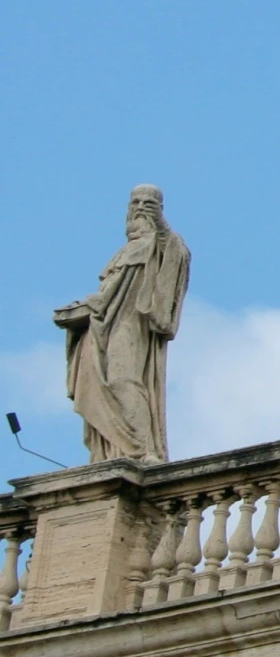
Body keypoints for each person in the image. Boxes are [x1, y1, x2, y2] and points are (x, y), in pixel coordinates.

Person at [56, 185, 190, 463]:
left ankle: (140, 451)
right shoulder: (123, 251)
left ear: (159, 210)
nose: (140, 207)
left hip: (132, 325)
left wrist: (162, 226)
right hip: (102, 326)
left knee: (124, 380)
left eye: (149, 203)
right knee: (100, 385)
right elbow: (107, 296)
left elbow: (176, 256)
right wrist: (82, 310)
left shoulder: (160, 243)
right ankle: (108, 454)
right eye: (135, 202)